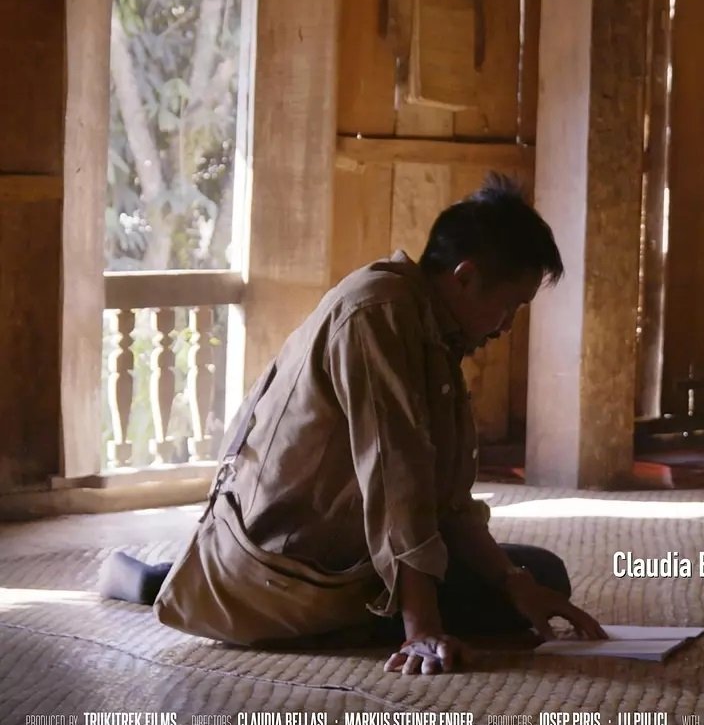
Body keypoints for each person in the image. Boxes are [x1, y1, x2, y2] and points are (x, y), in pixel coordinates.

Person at [99, 175, 605, 677]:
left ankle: (184, 582)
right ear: (465, 277)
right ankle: (208, 590)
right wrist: (422, 628)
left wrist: (513, 581)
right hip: (290, 566)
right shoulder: (378, 313)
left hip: (348, 548)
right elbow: (395, 477)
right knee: (497, 596)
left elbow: (446, 504)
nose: (507, 325)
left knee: (539, 576)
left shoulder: (432, 327)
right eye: (510, 306)